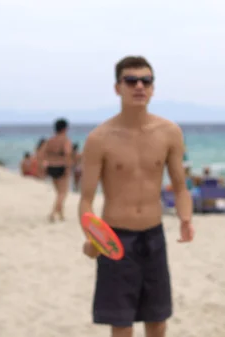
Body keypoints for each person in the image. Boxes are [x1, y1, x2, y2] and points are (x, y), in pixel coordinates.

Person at [78, 56, 194, 337]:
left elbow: (180, 186)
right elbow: (86, 201)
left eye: (146, 80)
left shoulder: (169, 133)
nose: (139, 86)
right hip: (115, 238)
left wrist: (186, 218)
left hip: (154, 237)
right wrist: (94, 237)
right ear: (118, 87)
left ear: (153, 88)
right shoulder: (99, 138)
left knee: (157, 321)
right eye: (131, 80)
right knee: (122, 324)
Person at [37, 118, 73, 222]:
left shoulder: (50, 140)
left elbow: (40, 154)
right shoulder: (65, 140)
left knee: (59, 193)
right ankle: (53, 213)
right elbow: (67, 154)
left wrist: (42, 166)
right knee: (63, 193)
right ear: (65, 129)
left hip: (50, 167)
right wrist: (68, 168)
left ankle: (61, 215)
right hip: (61, 166)